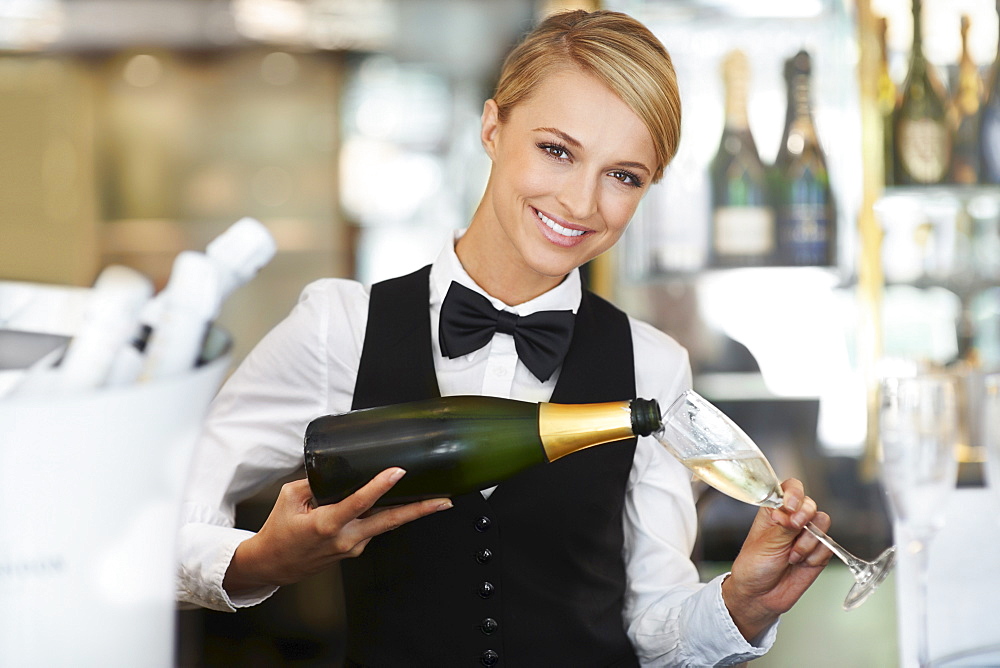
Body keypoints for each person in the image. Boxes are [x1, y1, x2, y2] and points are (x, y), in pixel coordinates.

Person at [177, 9, 833, 666]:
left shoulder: (654, 367)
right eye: (557, 150)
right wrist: (260, 561)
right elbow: (166, 522)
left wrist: (743, 604)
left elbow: (651, 622)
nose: (580, 202)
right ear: (493, 127)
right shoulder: (339, 327)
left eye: (623, 175)